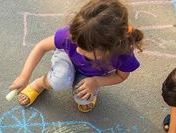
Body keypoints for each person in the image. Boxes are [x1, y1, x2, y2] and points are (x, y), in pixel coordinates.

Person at [9, 0, 143, 112]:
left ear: (108, 50)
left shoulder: (123, 56)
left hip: (92, 74)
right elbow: (42, 46)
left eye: (85, 49)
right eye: (77, 43)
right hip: (66, 58)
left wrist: (96, 82)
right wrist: (24, 76)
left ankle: (84, 84)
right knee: (59, 80)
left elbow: (120, 76)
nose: (78, 50)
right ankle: (39, 84)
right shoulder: (75, 34)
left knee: (82, 98)